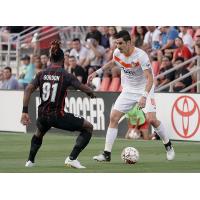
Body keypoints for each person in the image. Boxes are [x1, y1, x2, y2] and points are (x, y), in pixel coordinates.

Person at [88, 30, 175, 162]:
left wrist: (144, 96)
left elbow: (150, 78)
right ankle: (106, 154)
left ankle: (168, 145)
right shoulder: (118, 52)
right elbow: (112, 62)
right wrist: (97, 72)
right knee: (113, 117)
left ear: (129, 42)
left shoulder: (141, 56)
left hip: (144, 88)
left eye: (120, 43)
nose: (117, 46)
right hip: (128, 90)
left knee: (151, 120)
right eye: (116, 43)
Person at [20, 40, 95, 169]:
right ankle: (72, 158)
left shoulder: (41, 73)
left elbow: (28, 89)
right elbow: (83, 88)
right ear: (63, 60)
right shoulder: (65, 75)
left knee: (39, 133)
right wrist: (91, 93)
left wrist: (24, 111)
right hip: (57, 115)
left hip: (43, 114)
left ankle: (30, 161)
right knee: (88, 127)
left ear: (50, 59)